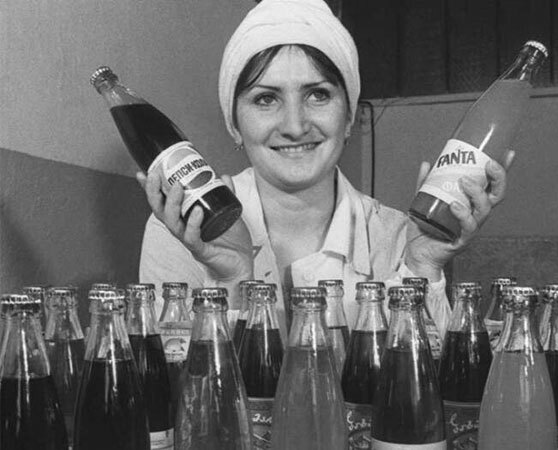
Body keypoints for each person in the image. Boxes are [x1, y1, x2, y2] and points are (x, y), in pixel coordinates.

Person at [137, 0, 512, 336]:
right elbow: (173, 387)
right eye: (265, 99)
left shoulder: (400, 238)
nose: (295, 125)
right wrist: (233, 284)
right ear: (234, 124)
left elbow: (423, 387)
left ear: (348, 117)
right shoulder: (184, 229)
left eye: (318, 95)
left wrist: (423, 266)